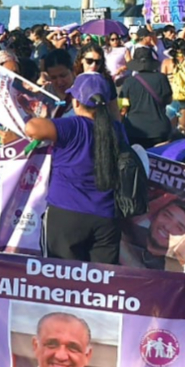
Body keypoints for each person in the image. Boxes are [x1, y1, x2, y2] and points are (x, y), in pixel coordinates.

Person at [25, 74, 127, 264]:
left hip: (66, 214)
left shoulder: (72, 126)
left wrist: (42, 115)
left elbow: (32, 128)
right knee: (101, 286)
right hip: (106, 218)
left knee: (59, 283)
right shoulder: (117, 130)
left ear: (76, 102)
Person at [119, 193, 185, 271]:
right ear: (155, 215)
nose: (167, 227)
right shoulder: (131, 231)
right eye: (166, 216)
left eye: (179, 228)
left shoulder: (173, 269)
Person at [118, 46, 172, 149]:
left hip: (135, 130)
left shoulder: (129, 82)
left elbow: (123, 108)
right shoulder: (161, 78)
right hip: (159, 129)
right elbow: (168, 100)